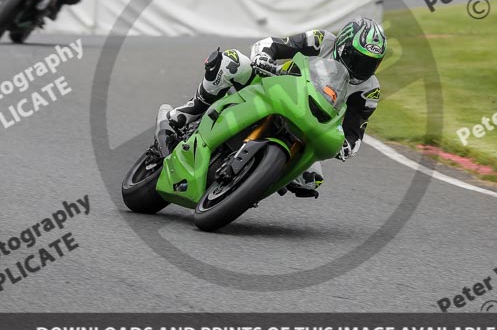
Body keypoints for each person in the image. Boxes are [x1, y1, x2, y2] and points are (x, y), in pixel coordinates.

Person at [155, 17, 387, 197]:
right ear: (342, 44)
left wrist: (345, 147)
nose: (361, 68)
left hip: (309, 123)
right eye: (356, 58)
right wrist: (263, 57)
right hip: (272, 86)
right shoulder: (320, 40)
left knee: (311, 178)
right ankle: (183, 116)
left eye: (370, 63)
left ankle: (252, 184)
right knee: (232, 63)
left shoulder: (369, 90)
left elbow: (355, 132)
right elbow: (274, 44)